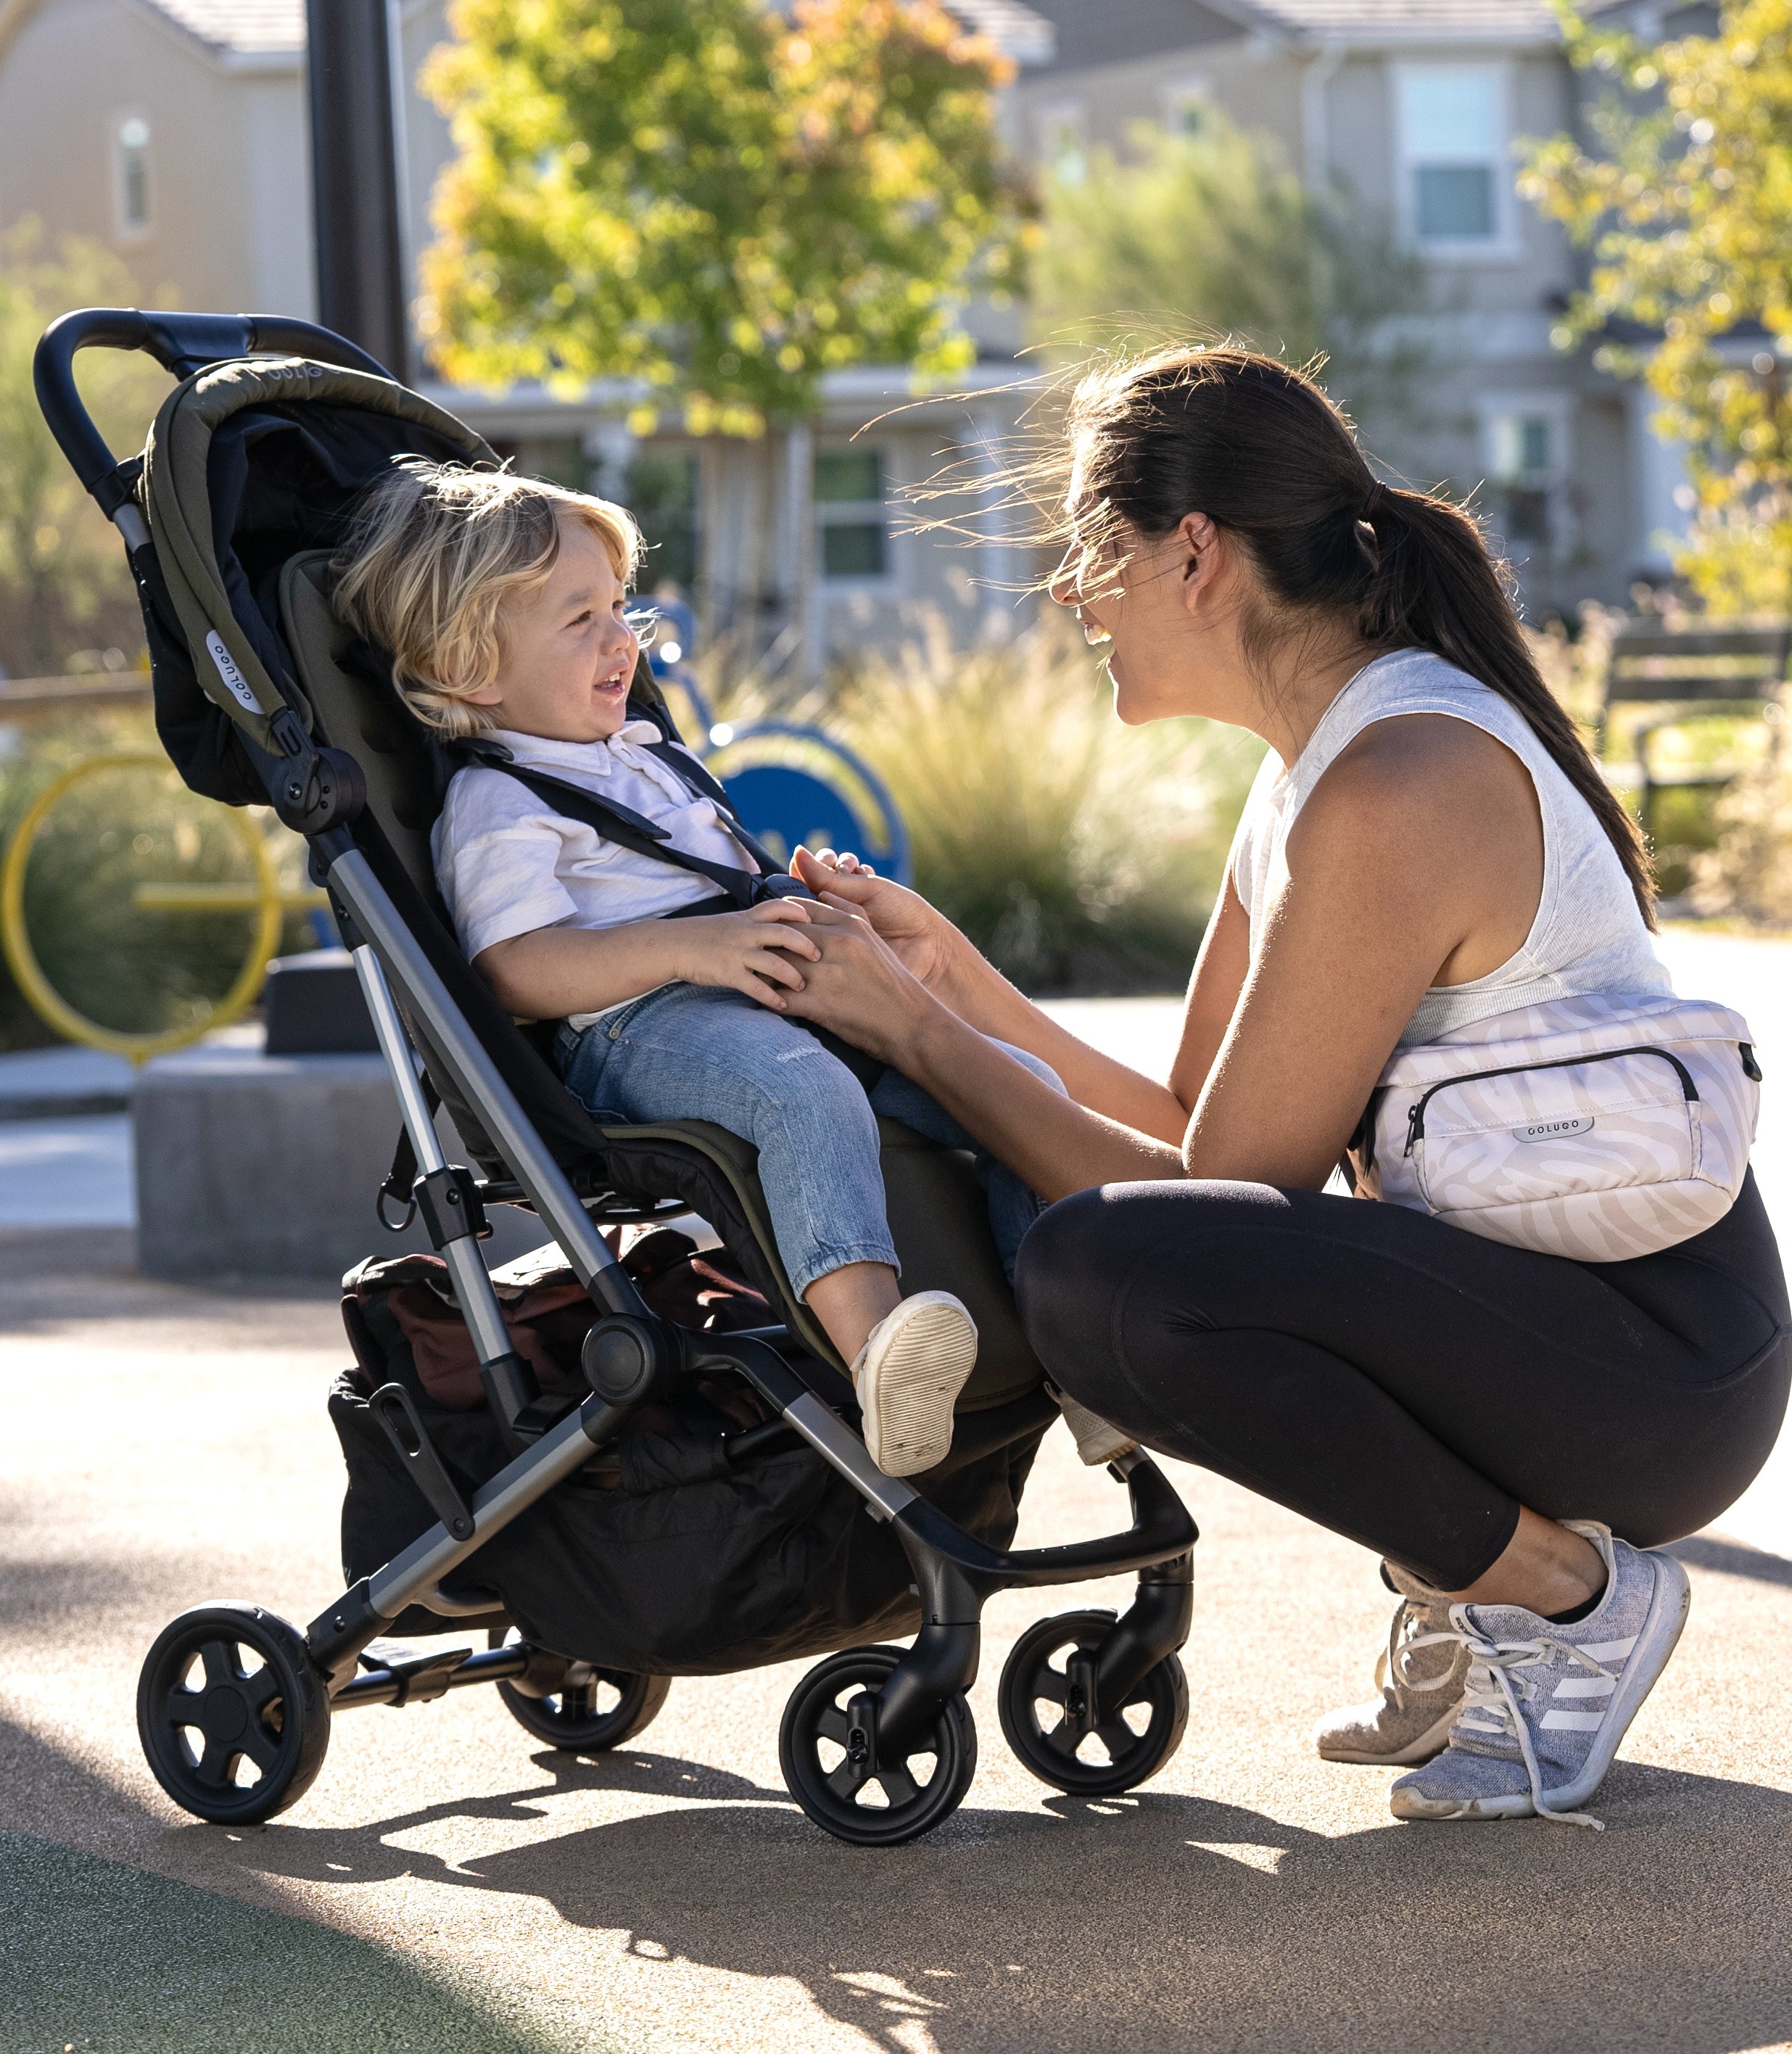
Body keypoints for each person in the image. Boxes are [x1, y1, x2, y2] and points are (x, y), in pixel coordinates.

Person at [771, 347, 1791, 1828]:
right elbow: (1195, 1137)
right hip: (1571, 1332)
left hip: (1655, 1365)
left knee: (1107, 1280)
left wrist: (924, 1041)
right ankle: (1486, 1578)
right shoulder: (1314, 768)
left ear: (1195, 553)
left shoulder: (1401, 778)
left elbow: (1206, 1203)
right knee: (1120, 1256)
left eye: (1088, 548)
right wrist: (950, 983)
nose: (1069, 591)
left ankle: (1564, 1596)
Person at [331, 461, 1069, 1479]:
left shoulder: (640, 755)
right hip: (637, 1027)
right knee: (802, 1089)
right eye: (580, 619)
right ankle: (877, 1350)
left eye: (621, 608)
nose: (620, 639)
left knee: (1014, 1088)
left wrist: (800, 902)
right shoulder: (499, 803)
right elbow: (514, 968)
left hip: (749, 990)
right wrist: (694, 947)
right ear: (472, 671)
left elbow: (723, 888)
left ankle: (1073, 1349)